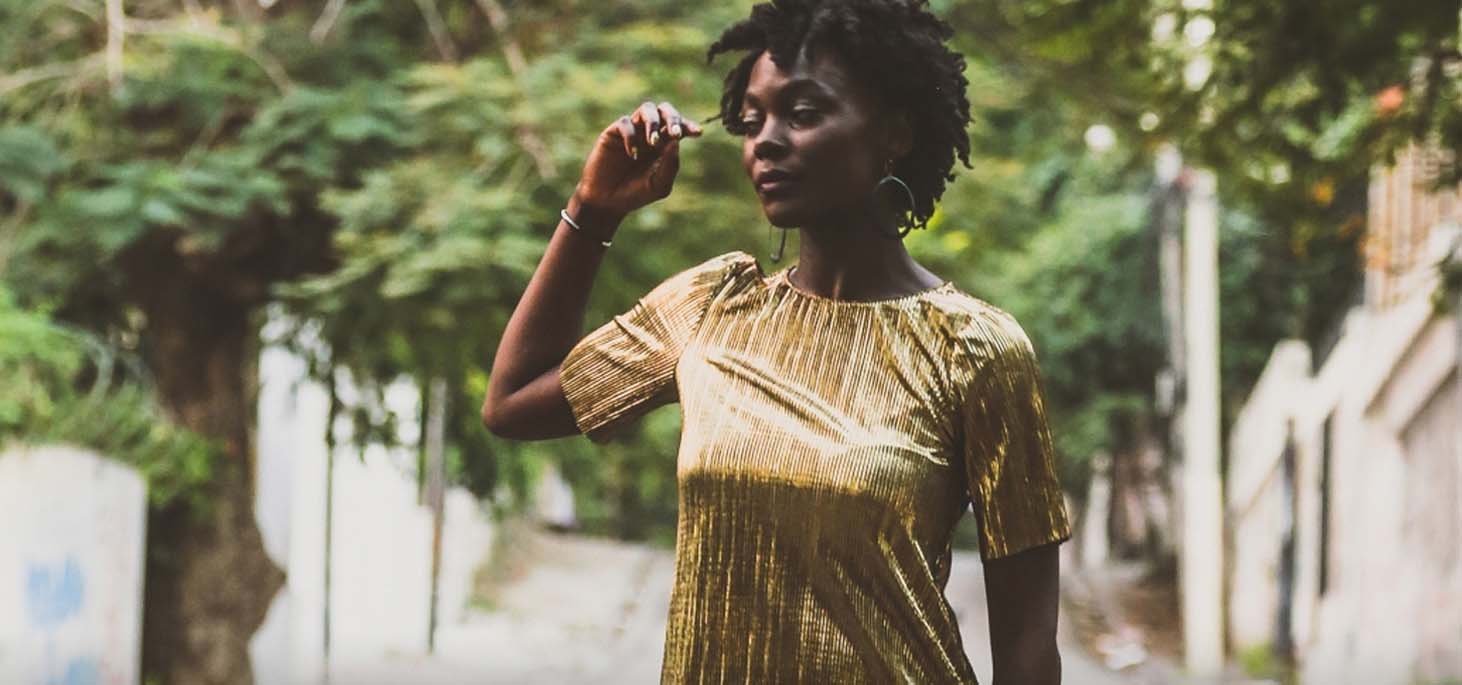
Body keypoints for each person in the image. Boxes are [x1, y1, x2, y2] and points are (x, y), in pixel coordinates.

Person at [481, 0, 1072, 682]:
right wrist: (593, 211)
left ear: (895, 133)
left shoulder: (977, 349)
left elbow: (1029, 651)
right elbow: (512, 401)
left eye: (803, 112)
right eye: (753, 119)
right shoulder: (712, 308)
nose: (765, 140)